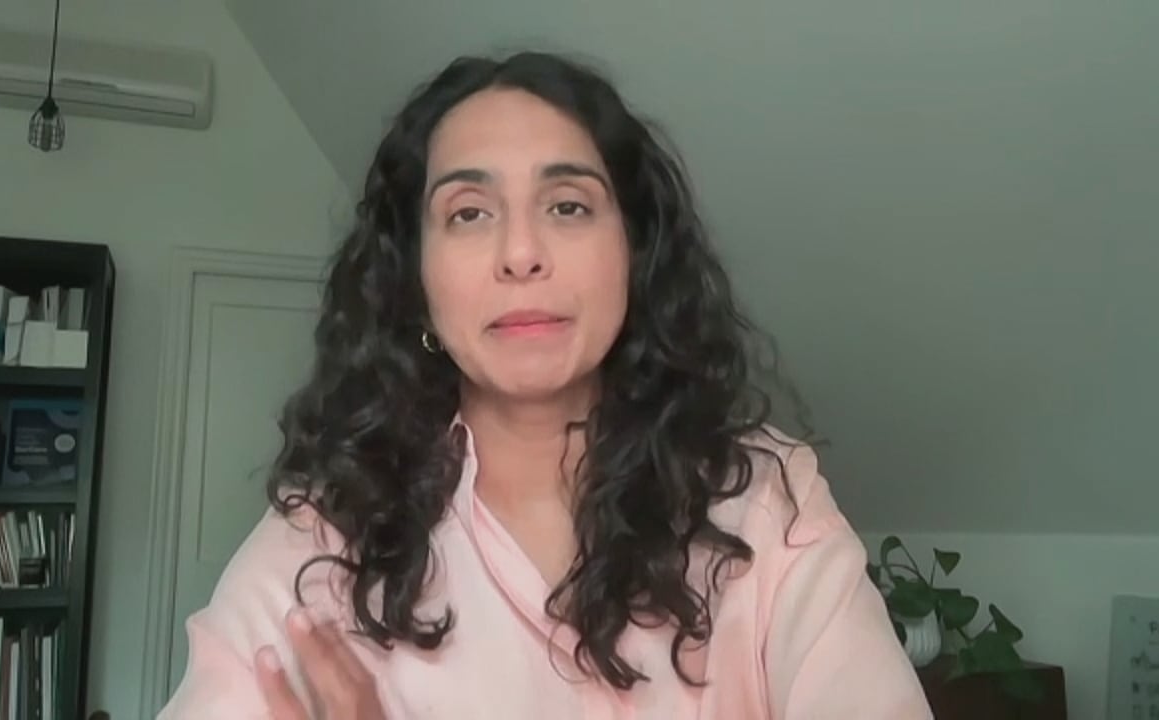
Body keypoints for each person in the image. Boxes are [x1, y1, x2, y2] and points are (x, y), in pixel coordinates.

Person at [156, 51, 932, 720]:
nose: (521, 252)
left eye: (567, 206)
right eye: (467, 213)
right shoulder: (316, 546)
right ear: (415, 278)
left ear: (634, 252)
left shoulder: (766, 508)